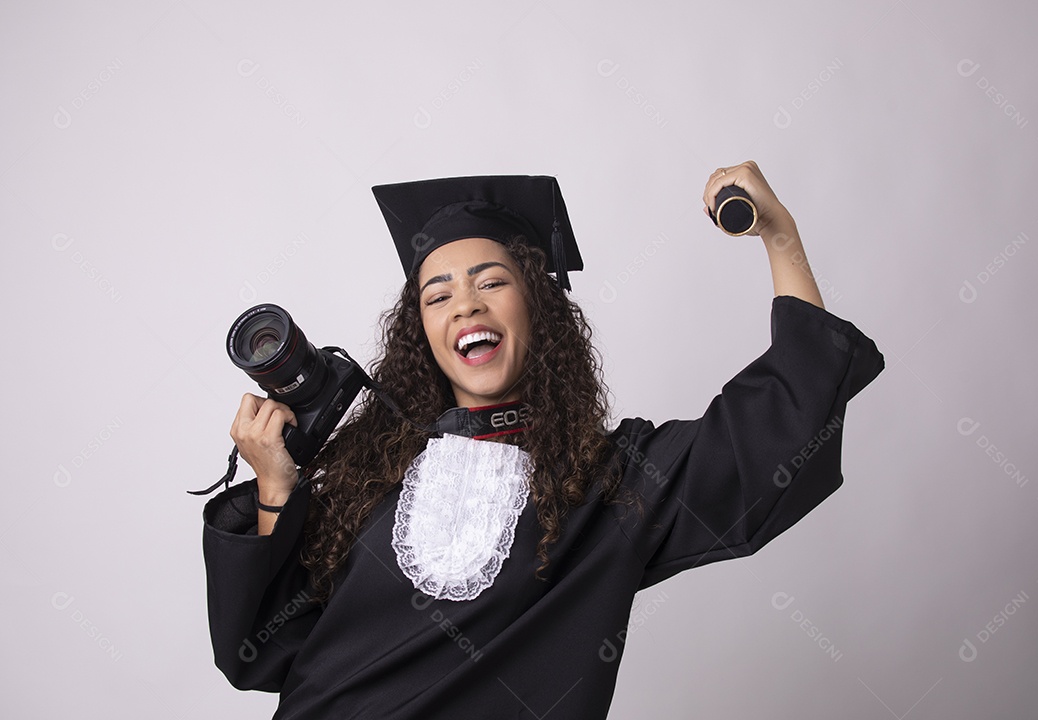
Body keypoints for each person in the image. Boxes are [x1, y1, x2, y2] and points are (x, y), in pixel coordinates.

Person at [201, 162, 885, 719]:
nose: (465, 304)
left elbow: (777, 429)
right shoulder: (371, 473)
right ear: (421, 335)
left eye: (492, 282)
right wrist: (276, 489)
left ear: (538, 307)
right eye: (437, 296)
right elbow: (264, 654)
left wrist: (781, 237)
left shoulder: (609, 483)